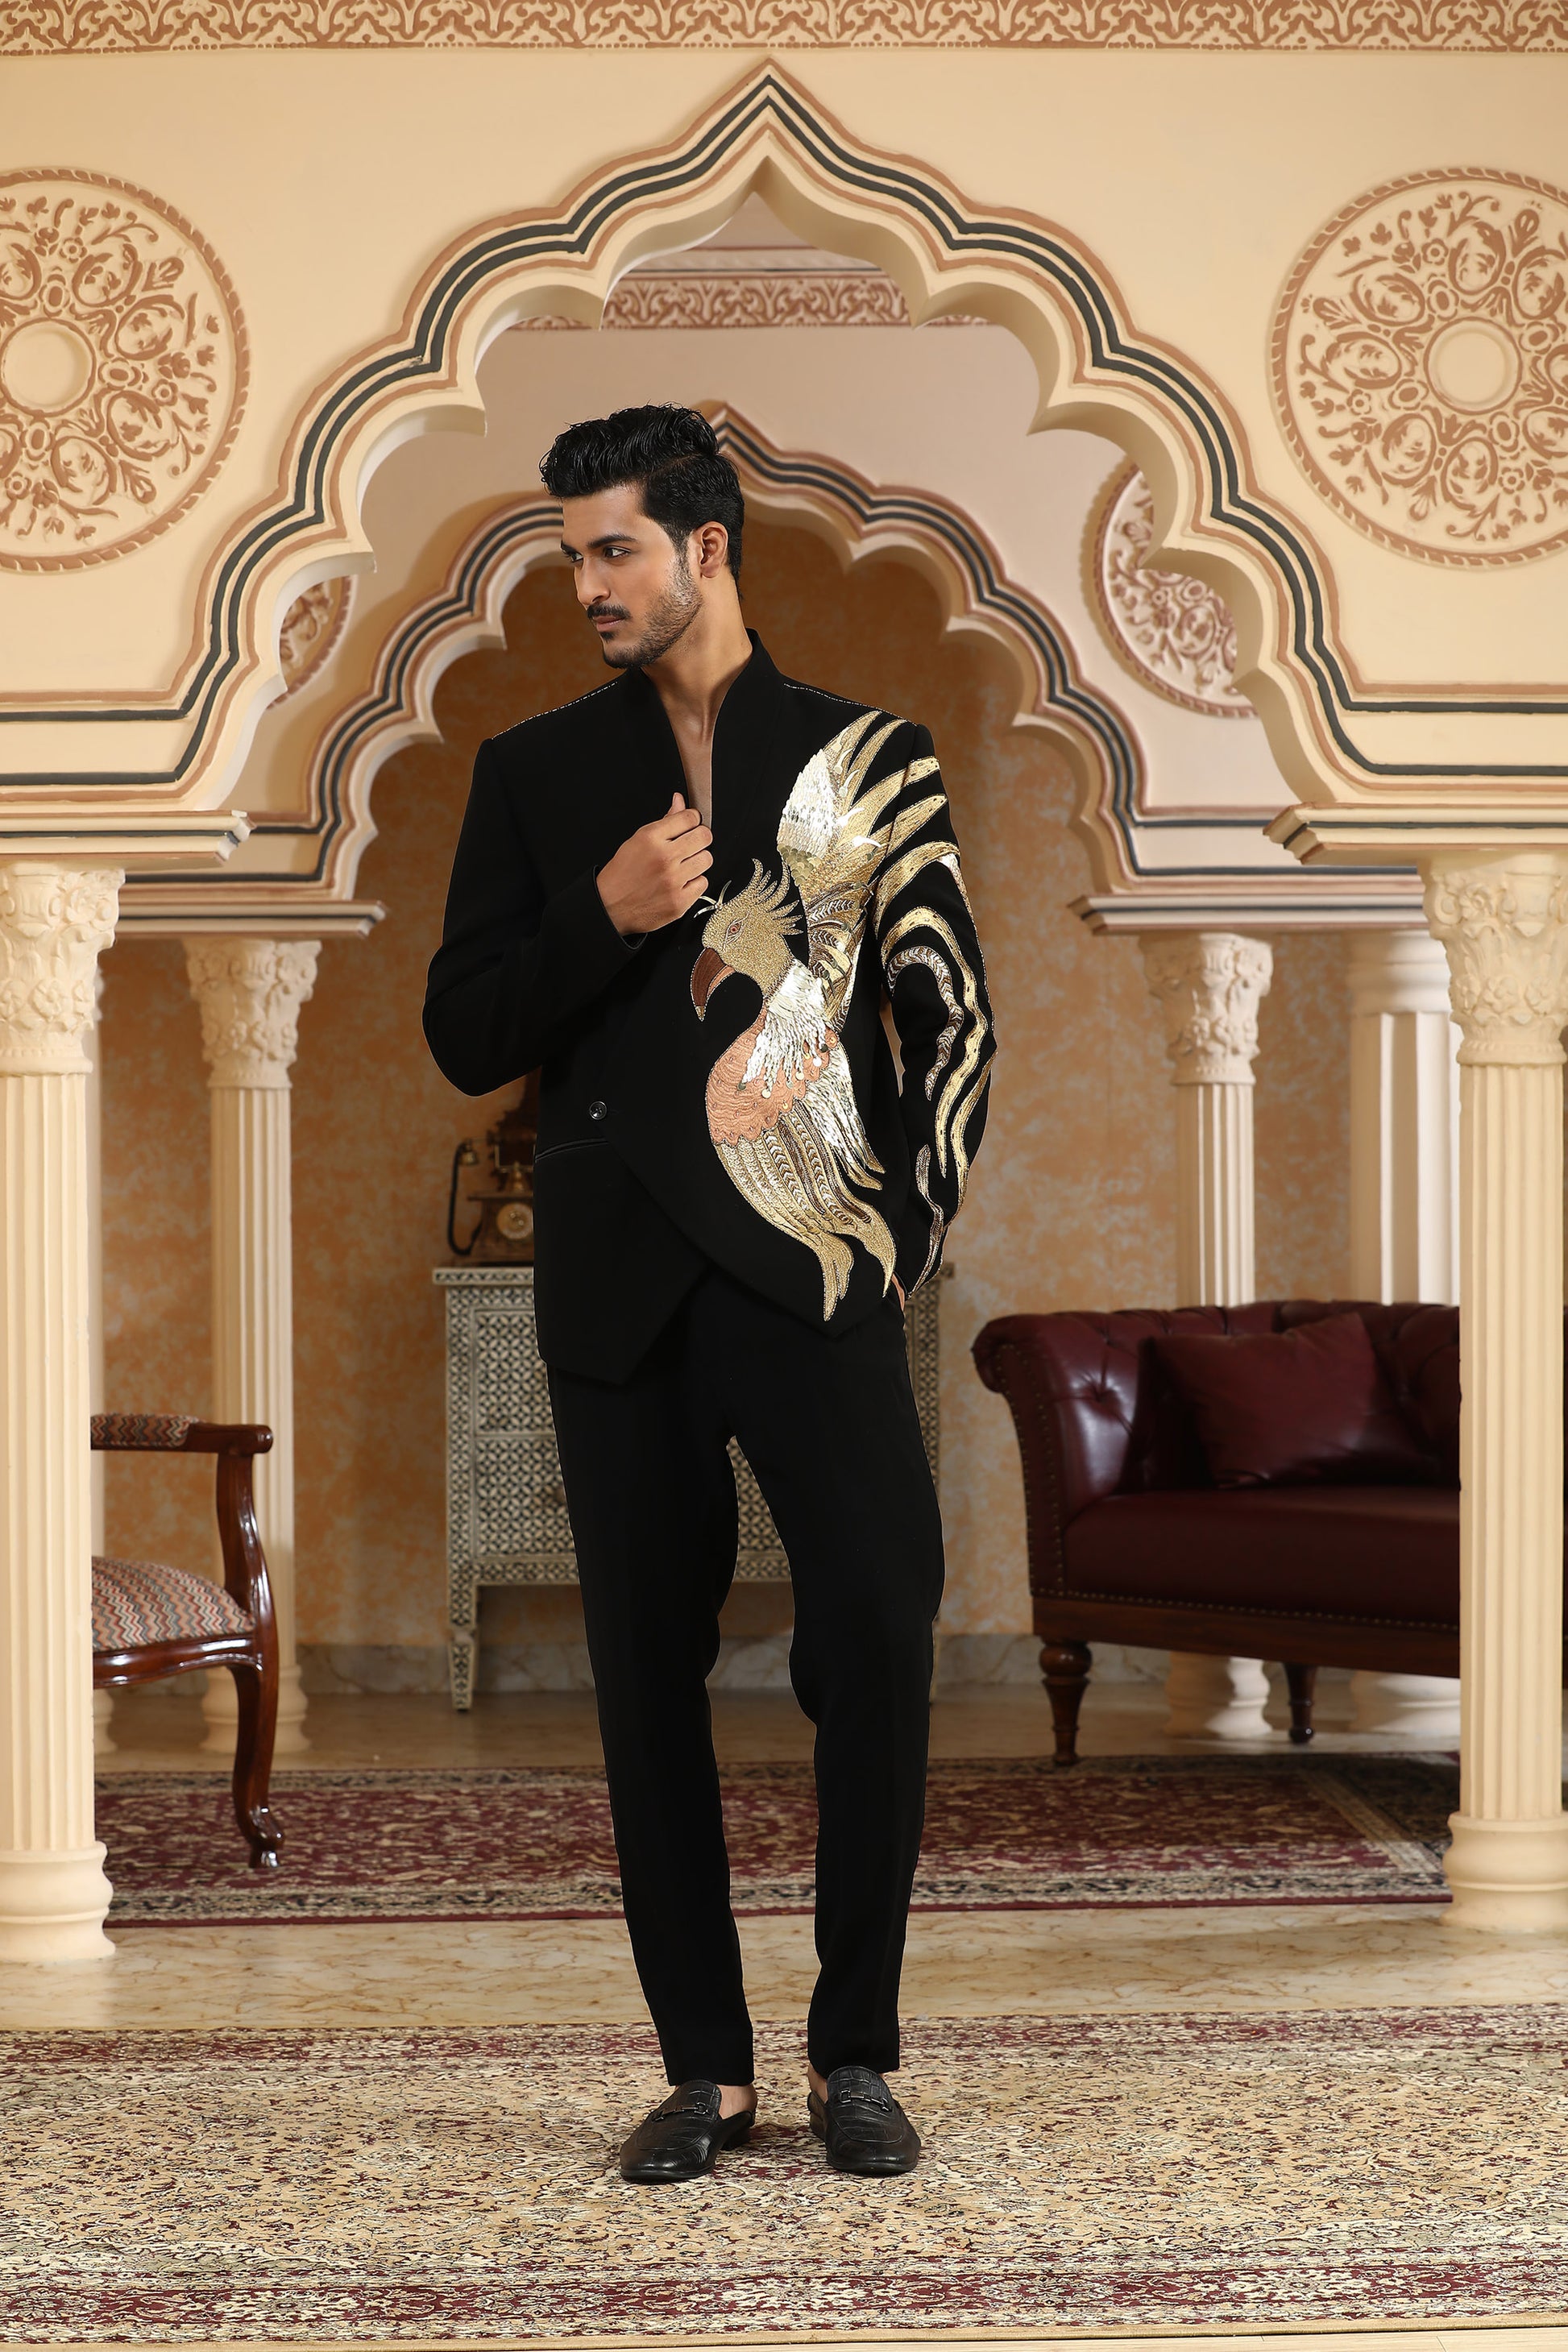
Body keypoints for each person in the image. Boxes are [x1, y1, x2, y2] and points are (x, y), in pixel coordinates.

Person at [424, 404, 993, 2183]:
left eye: (613, 549)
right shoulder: (534, 775)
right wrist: (599, 913)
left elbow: (950, 1016)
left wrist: (902, 1233)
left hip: (813, 1264)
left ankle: (855, 2055)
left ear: (706, 547)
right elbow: (463, 1031)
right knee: (643, 1680)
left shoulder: (866, 754)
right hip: (619, 1289)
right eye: (569, 555)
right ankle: (705, 2072)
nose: (585, 583)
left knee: (877, 1629)